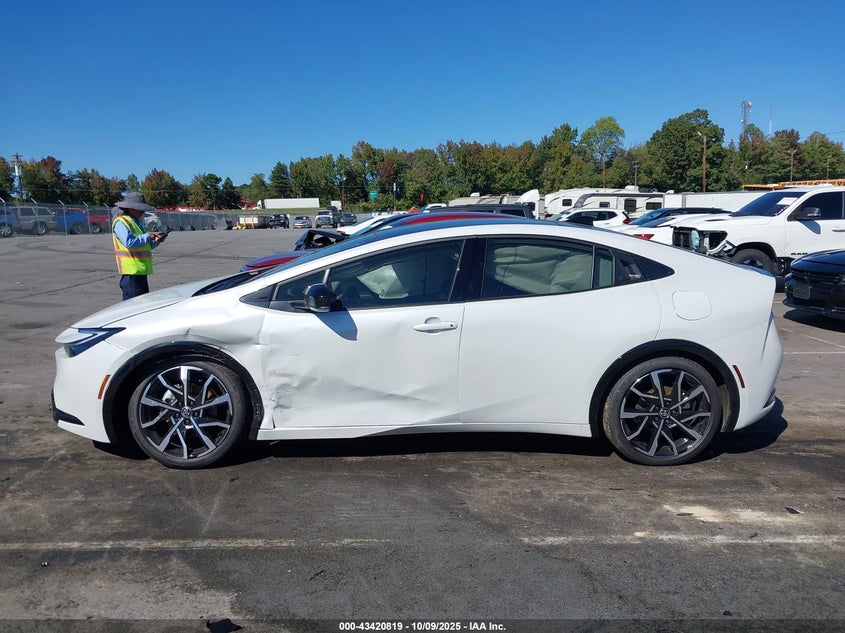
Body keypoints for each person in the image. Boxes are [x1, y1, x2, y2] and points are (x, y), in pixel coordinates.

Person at [111, 192, 168, 300]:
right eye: (140, 209)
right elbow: (129, 243)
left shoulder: (136, 222)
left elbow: (144, 245)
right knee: (133, 309)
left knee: (142, 306)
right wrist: (148, 236)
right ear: (130, 208)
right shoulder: (121, 222)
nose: (143, 212)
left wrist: (156, 241)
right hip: (131, 274)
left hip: (140, 272)